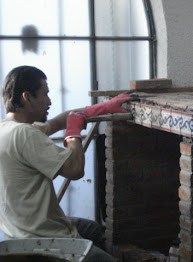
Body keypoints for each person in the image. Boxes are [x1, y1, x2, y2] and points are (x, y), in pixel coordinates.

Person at [0, 65, 132, 261]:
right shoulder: (25, 134)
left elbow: (57, 122)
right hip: (43, 239)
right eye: (45, 94)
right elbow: (75, 169)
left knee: (92, 230)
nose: (50, 101)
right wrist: (73, 133)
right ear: (27, 97)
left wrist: (98, 109)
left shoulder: (8, 128)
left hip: (17, 231)